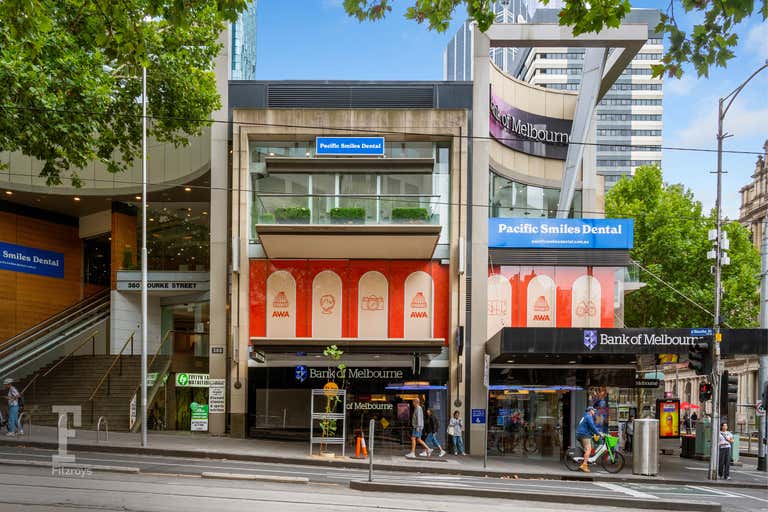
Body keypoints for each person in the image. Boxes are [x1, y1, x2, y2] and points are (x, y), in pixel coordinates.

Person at [575, 406, 603, 472]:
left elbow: (588, 427)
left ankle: (585, 461)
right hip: (584, 435)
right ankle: (584, 465)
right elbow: (592, 426)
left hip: (580, 434)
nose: (594, 412)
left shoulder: (585, 416)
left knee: (587, 449)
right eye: (593, 410)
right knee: (588, 449)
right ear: (590, 410)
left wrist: (594, 434)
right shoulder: (589, 416)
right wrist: (598, 433)